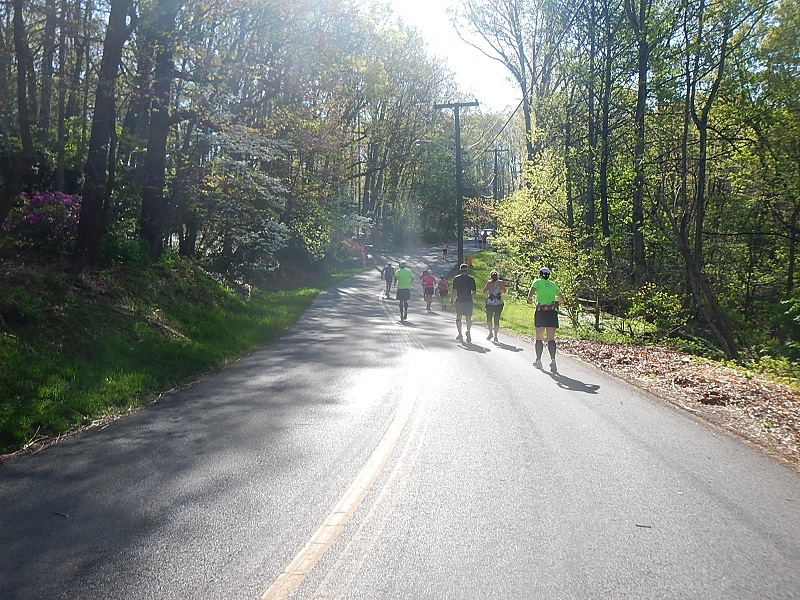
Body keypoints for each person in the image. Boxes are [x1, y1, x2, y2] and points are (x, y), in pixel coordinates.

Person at [527, 267, 565, 373]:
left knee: (539, 337)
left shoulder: (537, 282)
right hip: (552, 313)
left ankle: (538, 360)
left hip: (541, 312)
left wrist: (529, 299)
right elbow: (562, 299)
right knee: (551, 338)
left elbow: (531, 292)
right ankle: (553, 360)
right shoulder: (553, 285)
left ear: (540, 274)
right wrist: (554, 300)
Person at [451, 263, 476, 343]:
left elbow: (454, 291)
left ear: (460, 270)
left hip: (460, 299)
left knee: (459, 317)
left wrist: (452, 299)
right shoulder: (471, 279)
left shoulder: (456, 279)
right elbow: (474, 292)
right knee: (468, 317)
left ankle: (460, 333)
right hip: (468, 300)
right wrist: (470, 297)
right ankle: (468, 330)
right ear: (467, 270)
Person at [482, 269, 506, 342]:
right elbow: (504, 290)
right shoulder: (501, 283)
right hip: (499, 303)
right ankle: (496, 336)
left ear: (491, 276)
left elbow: (484, 291)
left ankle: (490, 333)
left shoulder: (489, 283)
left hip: (490, 303)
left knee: (489, 318)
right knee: (496, 319)